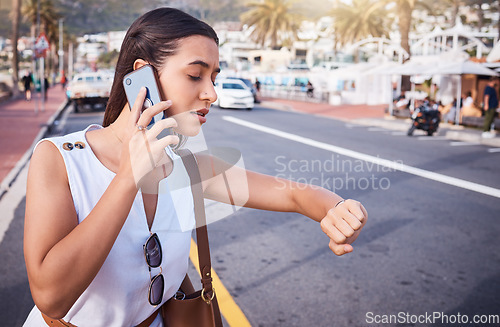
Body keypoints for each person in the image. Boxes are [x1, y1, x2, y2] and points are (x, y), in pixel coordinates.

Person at [23, 8, 367, 326]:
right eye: (195, 75)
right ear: (144, 76)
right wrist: (129, 176)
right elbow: (52, 298)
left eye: (214, 77)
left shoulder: (189, 169)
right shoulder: (61, 158)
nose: (212, 93)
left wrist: (335, 208)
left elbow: (293, 195)